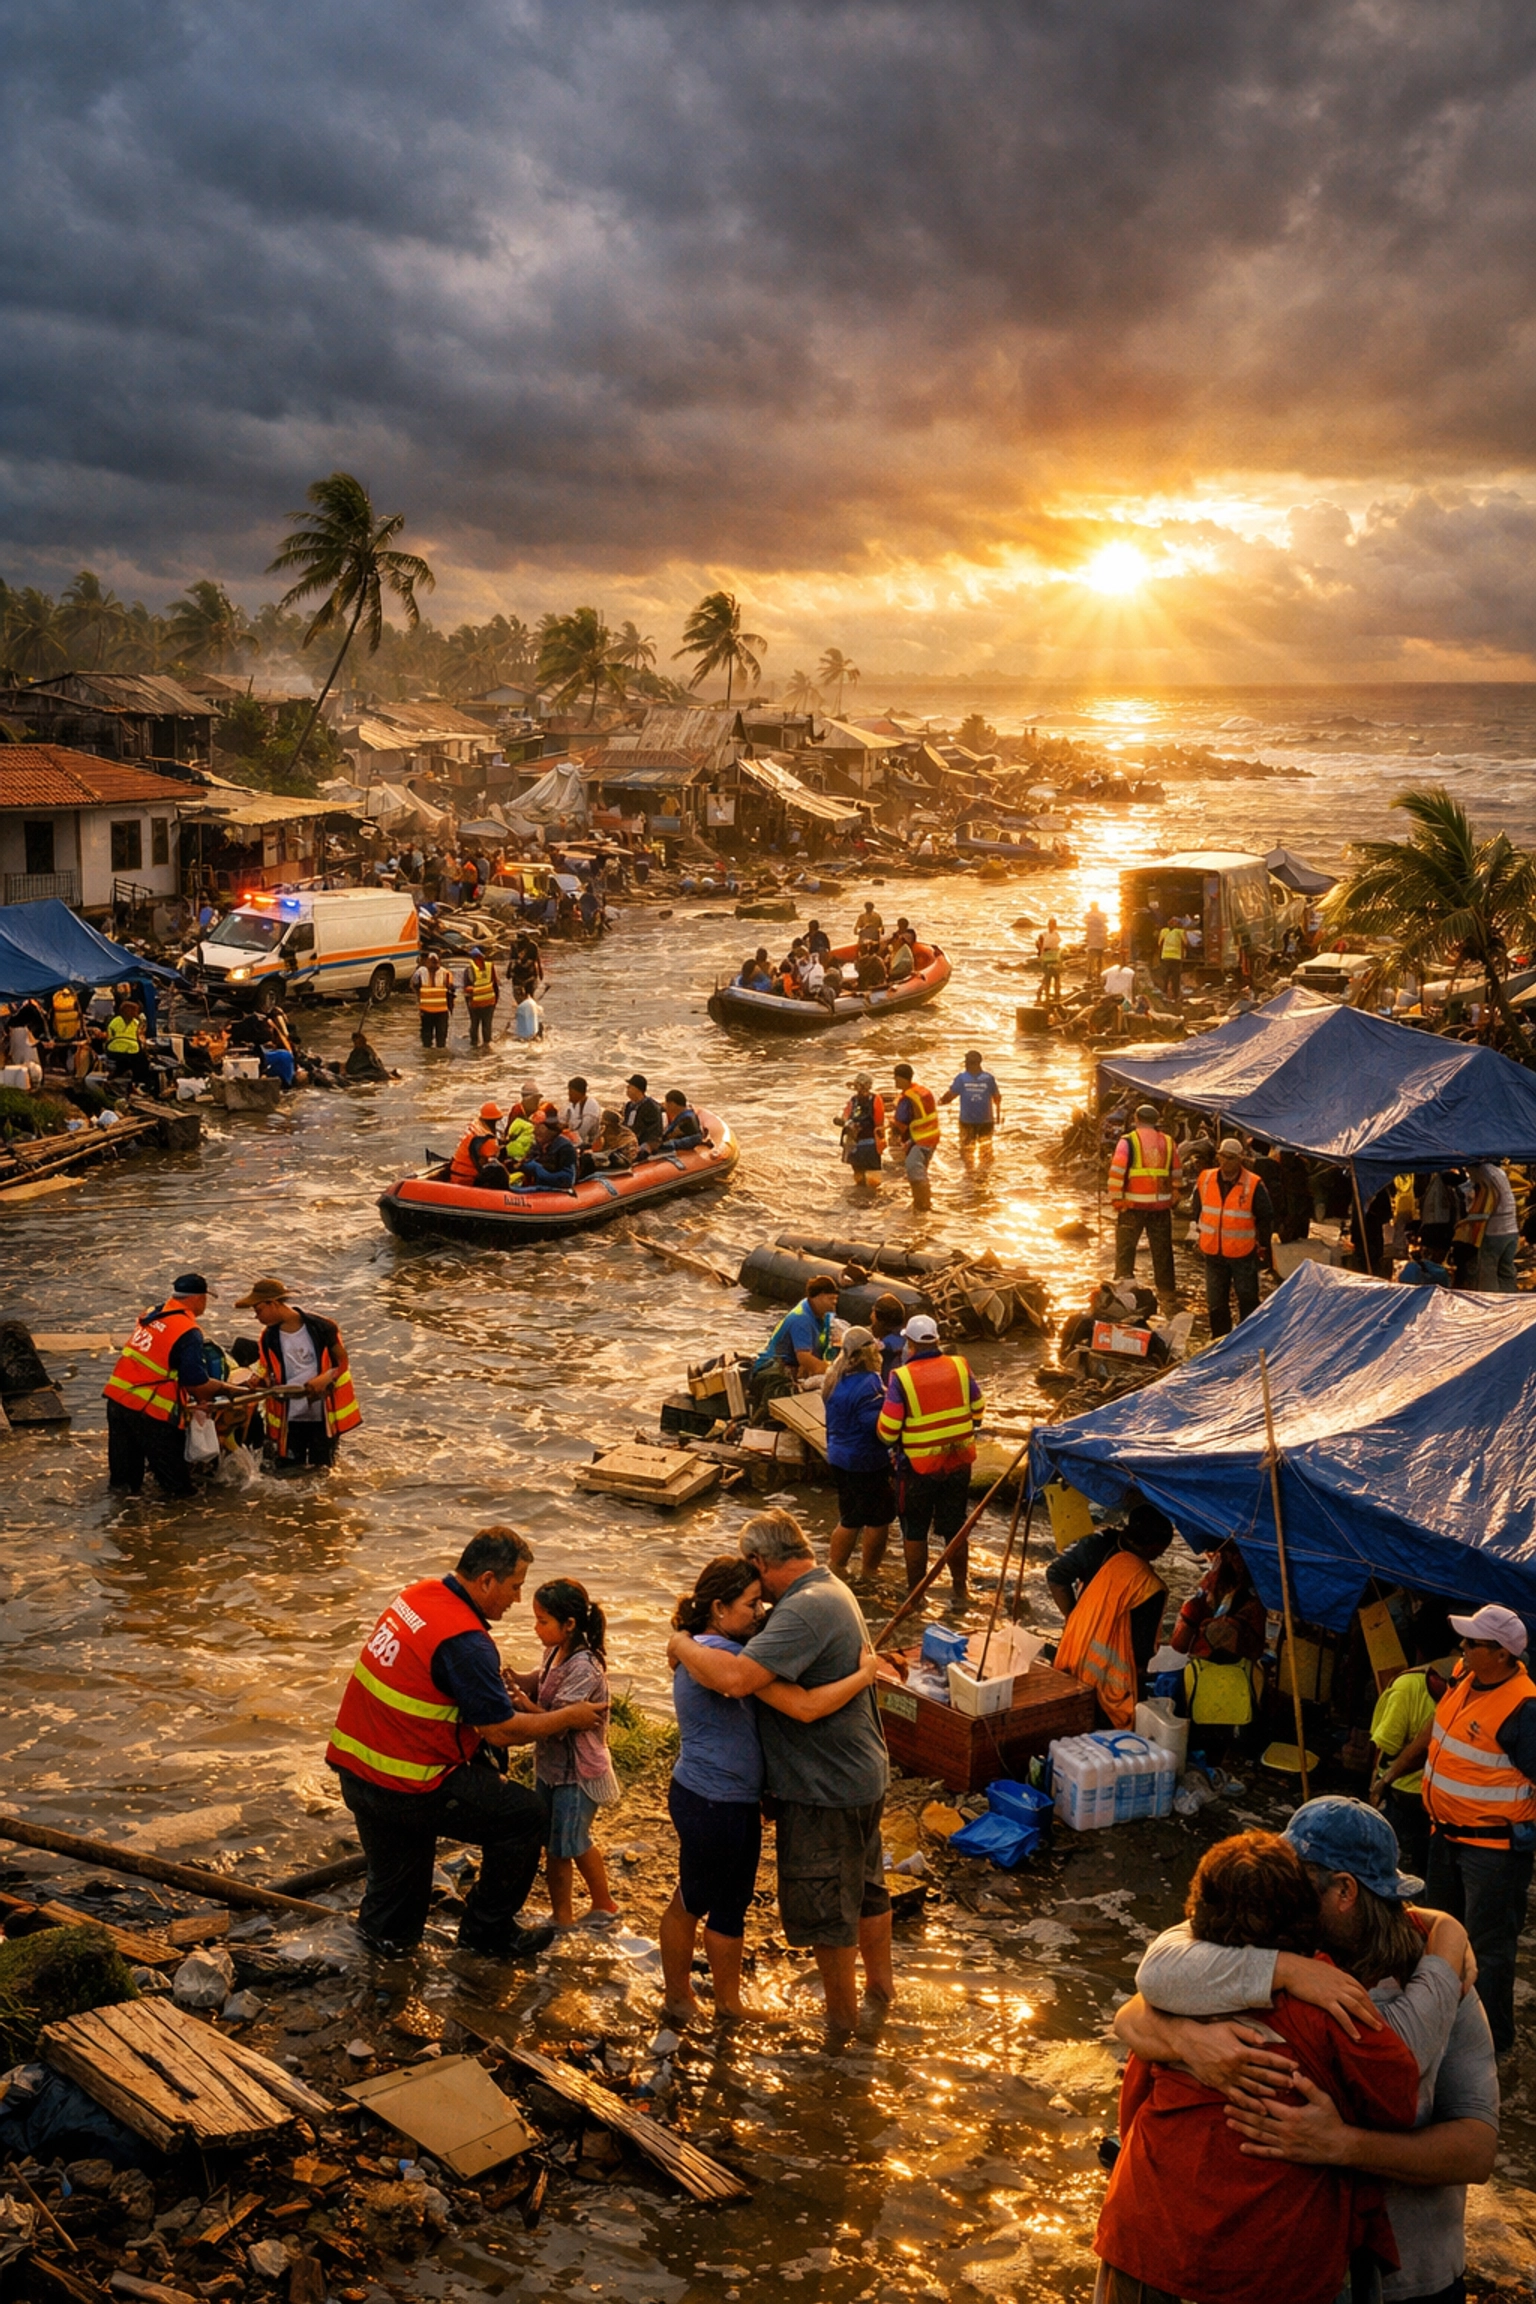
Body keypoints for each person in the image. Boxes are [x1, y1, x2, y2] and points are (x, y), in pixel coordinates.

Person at [1110, 1809, 1482, 2304]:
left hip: (1402, 2278)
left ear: (1345, 1891)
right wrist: (1181, 2037)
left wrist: (1342, 2143)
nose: (1279, 1889)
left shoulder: (1436, 1979)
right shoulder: (1234, 1959)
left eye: (1295, 1880)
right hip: (1260, 2260)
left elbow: (1476, 2150)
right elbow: (1142, 1996)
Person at [667, 1511, 895, 2036]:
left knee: (828, 1911)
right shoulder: (830, 1588)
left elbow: (741, 1681)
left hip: (825, 1789)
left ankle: (842, 2027)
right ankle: (880, 1994)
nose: (761, 1608)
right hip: (858, 1776)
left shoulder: (801, 1612)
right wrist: (863, 1675)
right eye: (751, 1606)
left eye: (757, 1594)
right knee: (865, 1891)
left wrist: (679, 1642)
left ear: (759, 1562)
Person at [327, 1528, 568, 1962]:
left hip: (357, 1769)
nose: (516, 1600)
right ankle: (486, 1933)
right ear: (487, 1581)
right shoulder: (466, 1642)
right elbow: (501, 1731)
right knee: (525, 1816)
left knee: (395, 1904)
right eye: (515, 1588)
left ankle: (375, 1975)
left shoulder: (420, 1595)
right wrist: (564, 1719)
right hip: (408, 1784)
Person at [1377, 1601, 1536, 2060]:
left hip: (1493, 1853)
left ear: (1503, 1654)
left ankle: (1491, 2047)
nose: (1461, 1648)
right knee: (1436, 1936)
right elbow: (1434, 1731)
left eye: (1472, 1643)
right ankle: (1439, 2024)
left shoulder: (1524, 1710)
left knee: (1487, 1950)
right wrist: (1390, 1774)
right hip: (1444, 1837)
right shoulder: (1465, 1679)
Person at [504, 1579, 620, 1930]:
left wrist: (524, 1706)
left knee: (562, 1847)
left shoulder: (585, 1667)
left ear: (569, 1624)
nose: (536, 1628)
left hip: (575, 1772)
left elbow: (558, 1722)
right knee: (566, 1840)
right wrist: (520, 1680)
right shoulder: (556, 1651)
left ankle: (565, 1916)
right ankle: (601, 1904)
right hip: (552, 1768)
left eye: (543, 1621)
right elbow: (544, 1679)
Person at [875, 1313, 983, 1602]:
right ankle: (960, 1590)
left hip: (917, 1469)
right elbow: (979, 1409)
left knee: (915, 1529)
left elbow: (887, 1431)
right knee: (955, 1527)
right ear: (937, 1339)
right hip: (958, 1464)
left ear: (909, 1343)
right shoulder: (960, 1366)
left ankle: (916, 1597)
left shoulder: (901, 1378)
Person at [103, 1272, 239, 1498]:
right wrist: (228, 1389)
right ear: (198, 1298)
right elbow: (196, 1383)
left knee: (124, 1482)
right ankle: (177, 1528)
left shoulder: (151, 1314)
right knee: (177, 1487)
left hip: (117, 1399)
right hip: (149, 1410)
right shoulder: (188, 1331)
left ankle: (122, 1525)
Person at [1053, 1508, 1172, 1726]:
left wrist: (1076, 1620)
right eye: (1161, 1551)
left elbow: (1055, 1574)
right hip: (1110, 1684)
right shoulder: (1150, 1586)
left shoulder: (1095, 1545)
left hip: (1072, 1650)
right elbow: (1141, 1649)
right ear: (1153, 1548)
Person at [1368, 1608, 1457, 1878]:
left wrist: (1375, 1786)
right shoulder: (1461, 1685)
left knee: (1388, 1866)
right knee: (1426, 1869)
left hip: (1403, 1795)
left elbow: (1387, 1746)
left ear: (1416, 1645)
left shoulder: (1407, 1685)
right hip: (1436, 1796)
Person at [240, 1276, 362, 1471]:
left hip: (323, 1414)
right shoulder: (268, 1337)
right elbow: (267, 1370)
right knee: (289, 1469)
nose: (257, 1316)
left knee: (323, 1469)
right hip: (290, 1416)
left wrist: (325, 1378)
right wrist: (261, 1381)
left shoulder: (323, 1327)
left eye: (258, 1310)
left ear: (273, 1303)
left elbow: (342, 1362)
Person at [1170, 1538, 1267, 1755]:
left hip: (1211, 1678)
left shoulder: (1207, 1600)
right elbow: (1257, 1650)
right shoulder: (1256, 1599)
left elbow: (1179, 1645)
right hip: (1239, 1680)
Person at [822, 1328, 896, 1580]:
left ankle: (835, 1568)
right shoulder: (870, 1383)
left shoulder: (833, 1376)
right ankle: (869, 1573)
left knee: (849, 1517)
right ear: (868, 1353)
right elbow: (876, 1427)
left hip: (838, 1456)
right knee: (878, 1519)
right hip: (865, 1460)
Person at [1108, 1101, 1183, 1315]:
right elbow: (1176, 1172)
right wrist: (1176, 1192)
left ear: (1136, 1120)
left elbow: (1116, 1173)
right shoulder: (1169, 1142)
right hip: (1160, 1206)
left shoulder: (1127, 1142)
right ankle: (1167, 1294)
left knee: (1125, 1250)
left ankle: (1123, 1290)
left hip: (1132, 1206)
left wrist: (1116, 1200)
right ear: (1156, 1121)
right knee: (1162, 1251)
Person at [1197, 1136, 1274, 1338]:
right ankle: (1220, 1341)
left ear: (1240, 1159)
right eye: (1223, 1157)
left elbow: (1266, 1216)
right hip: (1213, 1252)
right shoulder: (1206, 1178)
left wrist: (1263, 1246)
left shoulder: (1253, 1184)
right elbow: (1198, 1208)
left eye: (1231, 1158)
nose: (1226, 1162)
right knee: (1216, 1302)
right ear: (1218, 1157)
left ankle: (1247, 1339)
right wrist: (1199, 1232)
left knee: (1247, 1298)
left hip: (1243, 1253)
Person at [750, 1274, 839, 1413]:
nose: (834, 1303)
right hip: (773, 1371)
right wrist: (833, 1371)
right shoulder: (801, 1319)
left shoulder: (821, 1313)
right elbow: (804, 1358)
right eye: (830, 1299)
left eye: (836, 1300)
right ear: (819, 1296)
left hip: (792, 1368)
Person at [890, 1061, 941, 1213]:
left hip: (918, 1140)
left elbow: (902, 1123)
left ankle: (923, 1207)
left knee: (915, 1174)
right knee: (920, 1172)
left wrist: (890, 1126)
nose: (894, 1081)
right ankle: (920, 1206)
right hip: (932, 1138)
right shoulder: (921, 1091)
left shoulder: (906, 1099)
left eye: (896, 1078)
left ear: (902, 1078)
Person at [1469, 1160, 1519, 1292]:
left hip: (1495, 1231)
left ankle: (1490, 1303)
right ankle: (1510, 1300)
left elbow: (1480, 1203)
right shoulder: (1500, 1173)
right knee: (1506, 1269)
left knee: (1488, 1269)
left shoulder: (1483, 1172)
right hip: (1512, 1231)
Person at [940, 1051, 1002, 1155]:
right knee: (986, 1152)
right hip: (986, 1120)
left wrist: (940, 1102)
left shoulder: (962, 1078)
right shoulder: (988, 1078)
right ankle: (985, 1171)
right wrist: (998, 1118)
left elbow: (950, 1096)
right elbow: (997, 1099)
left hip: (967, 1121)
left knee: (966, 1151)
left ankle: (970, 1171)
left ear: (967, 1063)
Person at [840, 1071, 885, 1192]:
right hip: (870, 1145)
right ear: (870, 1085)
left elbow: (844, 1118)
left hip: (853, 1146)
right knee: (874, 1182)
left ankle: (858, 1202)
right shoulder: (876, 1099)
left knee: (859, 1180)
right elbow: (879, 1123)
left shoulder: (853, 1101)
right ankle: (871, 1205)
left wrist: (846, 1123)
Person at [521, 1108, 579, 1191]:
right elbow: (528, 1160)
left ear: (549, 1130)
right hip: (538, 1188)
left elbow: (568, 1179)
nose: (534, 1131)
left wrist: (538, 1170)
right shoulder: (537, 1145)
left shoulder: (565, 1148)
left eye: (539, 1127)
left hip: (556, 1191)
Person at [450, 1102, 506, 1184]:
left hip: (456, 1171)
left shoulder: (476, 1127)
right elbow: (493, 1164)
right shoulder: (489, 1140)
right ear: (494, 1122)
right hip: (467, 1178)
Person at [105, 1000, 153, 1088]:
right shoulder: (136, 1022)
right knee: (142, 1060)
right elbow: (141, 1038)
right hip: (132, 1049)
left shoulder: (114, 1021)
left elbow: (109, 1037)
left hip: (113, 1050)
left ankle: (119, 1072)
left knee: (123, 1058)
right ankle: (139, 1081)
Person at [413, 952, 456, 1048]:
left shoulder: (446, 973)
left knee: (441, 1038)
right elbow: (413, 984)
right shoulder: (420, 972)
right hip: (426, 1011)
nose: (433, 965)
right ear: (427, 962)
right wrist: (419, 997)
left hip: (441, 1011)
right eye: (431, 962)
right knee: (426, 1038)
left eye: (435, 962)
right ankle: (429, 1059)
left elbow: (451, 989)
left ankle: (440, 1059)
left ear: (439, 962)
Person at [580, 1109, 639, 1178]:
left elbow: (626, 1152)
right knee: (586, 1157)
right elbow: (597, 1148)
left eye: (603, 1121)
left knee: (587, 1159)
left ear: (609, 1122)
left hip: (622, 1160)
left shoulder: (626, 1134)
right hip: (612, 1156)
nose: (601, 1123)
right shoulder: (606, 1131)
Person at [462, 948, 500, 1047]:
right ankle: (486, 1047)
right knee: (486, 1025)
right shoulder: (489, 966)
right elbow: (495, 985)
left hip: (476, 1004)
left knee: (475, 1025)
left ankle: (475, 1046)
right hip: (488, 1002)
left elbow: (466, 990)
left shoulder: (469, 970)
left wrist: (468, 1004)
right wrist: (495, 1000)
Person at [870, 1292, 907, 1382]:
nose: (870, 1317)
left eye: (873, 1313)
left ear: (881, 1321)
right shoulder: (908, 1337)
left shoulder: (887, 1345)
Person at [622, 1073, 665, 1151]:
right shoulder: (629, 1105)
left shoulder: (651, 1107)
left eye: (629, 1087)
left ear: (637, 1089)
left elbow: (652, 1131)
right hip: (630, 1140)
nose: (627, 1088)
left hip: (647, 1142)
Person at [563, 1076, 602, 1146]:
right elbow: (563, 1119)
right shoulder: (572, 1104)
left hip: (588, 1143)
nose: (568, 1094)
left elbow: (582, 1133)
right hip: (573, 1138)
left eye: (570, 1091)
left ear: (576, 1092)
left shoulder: (591, 1107)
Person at [1157, 914, 1186, 1000]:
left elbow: (1159, 943)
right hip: (1176, 958)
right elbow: (1185, 943)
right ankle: (1175, 996)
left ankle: (1164, 994)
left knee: (1165, 977)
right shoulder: (1180, 932)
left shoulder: (1163, 931)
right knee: (1175, 978)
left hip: (1165, 957)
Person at [1035, 918, 1063, 1003]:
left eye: (1053, 924)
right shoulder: (1044, 934)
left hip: (1054, 956)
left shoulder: (1056, 935)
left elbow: (1058, 946)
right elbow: (1039, 945)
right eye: (1051, 924)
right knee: (1048, 977)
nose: (1052, 926)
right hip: (1047, 956)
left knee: (1056, 976)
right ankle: (1047, 994)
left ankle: (1056, 994)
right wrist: (1041, 953)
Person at [1083, 901, 1108, 982]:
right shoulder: (1101, 915)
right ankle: (1093, 974)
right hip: (1095, 938)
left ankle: (1095, 974)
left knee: (1095, 958)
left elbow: (1086, 923)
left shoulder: (1089, 915)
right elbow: (1105, 922)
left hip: (1096, 938)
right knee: (1094, 958)